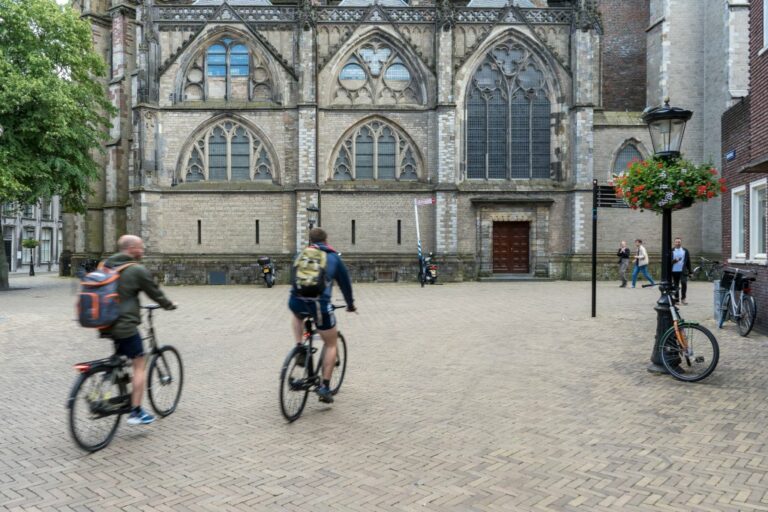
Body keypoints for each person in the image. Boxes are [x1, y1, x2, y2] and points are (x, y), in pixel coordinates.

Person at [103, 235, 176, 425]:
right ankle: (136, 411)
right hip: (125, 324)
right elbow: (155, 292)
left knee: (120, 359)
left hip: (104, 323)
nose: (142, 251)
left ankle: (106, 380)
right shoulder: (136, 269)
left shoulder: (107, 265)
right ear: (131, 249)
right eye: (140, 248)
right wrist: (169, 305)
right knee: (139, 364)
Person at [289, 228, 356, 404]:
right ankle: (325, 387)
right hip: (319, 305)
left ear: (310, 240)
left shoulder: (300, 254)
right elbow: (345, 285)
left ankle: (299, 347)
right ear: (326, 240)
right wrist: (350, 304)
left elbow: (293, 276)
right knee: (331, 343)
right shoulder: (333, 257)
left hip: (296, 300)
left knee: (297, 315)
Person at [671, 236, 692, 304]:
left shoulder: (685, 251)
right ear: (674, 243)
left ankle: (683, 298)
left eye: (679, 242)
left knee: (684, 283)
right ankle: (677, 299)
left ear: (681, 243)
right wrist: (674, 260)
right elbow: (668, 262)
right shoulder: (671, 251)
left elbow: (688, 261)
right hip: (674, 270)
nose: (678, 243)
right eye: (676, 242)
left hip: (683, 270)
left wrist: (690, 272)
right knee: (676, 285)